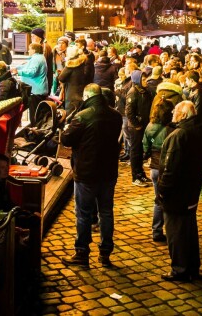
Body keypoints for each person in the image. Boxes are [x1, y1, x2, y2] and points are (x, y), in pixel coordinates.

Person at [60, 83, 123, 268]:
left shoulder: (83, 116)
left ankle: (82, 252)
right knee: (106, 212)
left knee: (83, 214)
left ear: (87, 95)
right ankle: (105, 252)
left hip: (87, 172)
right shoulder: (115, 115)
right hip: (109, 171)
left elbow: (66, 139)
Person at [157, 100, 202, 282]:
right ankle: (192, 267)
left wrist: (162, 190)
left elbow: (170, 168)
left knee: (176, 232)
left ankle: (179, 269)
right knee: (189, 230)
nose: (172, 115)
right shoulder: (201, 130)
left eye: (175, 112)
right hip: (192, 189)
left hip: (178, 193)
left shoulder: (179, 135)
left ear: (183, 115)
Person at [144, 96, 175, 242]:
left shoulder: (150, 126)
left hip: (155, 168)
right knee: (169, 200)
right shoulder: (172, 129)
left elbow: (146, 145)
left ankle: (156, 230)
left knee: (158, 200)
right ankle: (169, 230)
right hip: (168, 167)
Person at [125, 70, 153, 187]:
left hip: (143, 126)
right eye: (143, 79)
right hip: (136, 128)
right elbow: (129, 111)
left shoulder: (145, 91)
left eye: (146, 78)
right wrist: (137, 125)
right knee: (135, 152)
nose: (145, 81)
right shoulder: (133, 92)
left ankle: (141, 174)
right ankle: (135, 176)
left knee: (140, 151)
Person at [13, 43, 48, 124]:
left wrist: (18, 72)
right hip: (38, 90)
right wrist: (16, 68)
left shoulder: (37, 59)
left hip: (36, 91)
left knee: (35, 115)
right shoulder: (38, 58)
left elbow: (32, 72)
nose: (28, 50)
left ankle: (35, 132)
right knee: (37, 113)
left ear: (34, 50)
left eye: (30, 49)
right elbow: (27, 67)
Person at [57, 45, 90, 113]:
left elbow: (61, 78)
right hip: (82, 91)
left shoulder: (71, 65)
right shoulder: (83, 62)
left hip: (71, 94)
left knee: (71, 113)